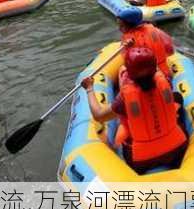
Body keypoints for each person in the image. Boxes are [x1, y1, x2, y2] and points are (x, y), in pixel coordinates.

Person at [80, 46, 187, 175]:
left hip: (143, 161)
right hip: (177, 151)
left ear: (129, 73)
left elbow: (99, 115)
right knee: (178, 97)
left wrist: (89, 89)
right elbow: (153, 69)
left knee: (119, 142)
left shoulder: (125, 97)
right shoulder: (164, 81)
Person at [117, 7, 174, 78]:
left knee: (122, 69)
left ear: (130, 25)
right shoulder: (154, 30)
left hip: (143, 77)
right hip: (164, 72)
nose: (119, 28)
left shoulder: (128, 39)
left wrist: (127, 48)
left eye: (121, 25)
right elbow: (170, 50)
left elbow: (126, 60)